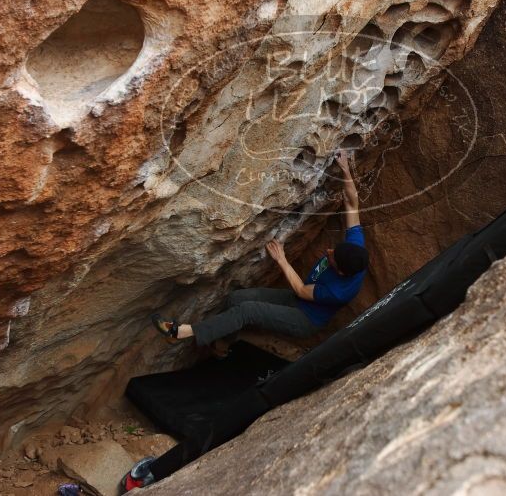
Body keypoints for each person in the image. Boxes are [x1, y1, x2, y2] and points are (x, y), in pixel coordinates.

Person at [120, 151, 368, 492]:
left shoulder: (340, 290)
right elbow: (352, 204)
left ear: (340, 270)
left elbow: (299, 287)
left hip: (304, 317)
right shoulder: (355, 247)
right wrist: (344, 168)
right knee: (239, 300)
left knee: (248, 312)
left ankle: (183, 333)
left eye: (331, 258)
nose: (327, 253)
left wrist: (280, 259)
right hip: (297, 299)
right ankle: (222, 346)